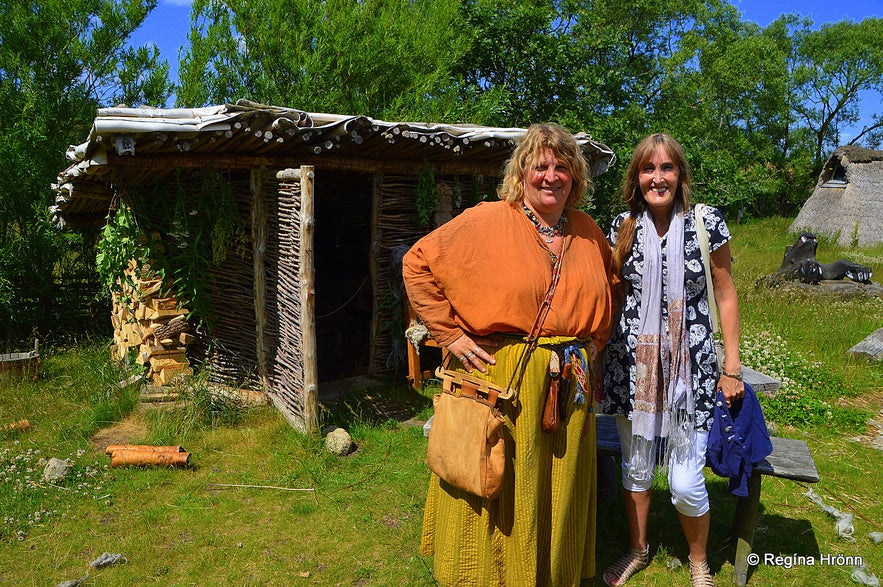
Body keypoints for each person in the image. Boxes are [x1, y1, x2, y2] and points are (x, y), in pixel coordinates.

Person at [403, 123, 615, 586]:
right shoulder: (487, 220)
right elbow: (417, 263)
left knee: (558, 481)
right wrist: (450, 335)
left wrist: (592, 346)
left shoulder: (587, 231)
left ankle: (550, 571)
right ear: (521, 174)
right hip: (503, 377)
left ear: (575, 177)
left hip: (569, 384)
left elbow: (610, 286)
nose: (551, 176)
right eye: (540, 166)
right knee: (499, 475)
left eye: (563, 166)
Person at [601, 133, 744, 587]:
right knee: (636, 469)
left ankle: (698, 559)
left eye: (666, 168)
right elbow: (612, 295)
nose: (657, 177)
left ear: (680, 174)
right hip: (634, 371)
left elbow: (725, 292)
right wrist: (598, 359)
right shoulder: (620, 227)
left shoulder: (707, 223)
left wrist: (733, 366)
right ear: (636, 177)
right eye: (648, 168)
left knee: (684, 481)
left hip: (692, 374)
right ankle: (638, 550)